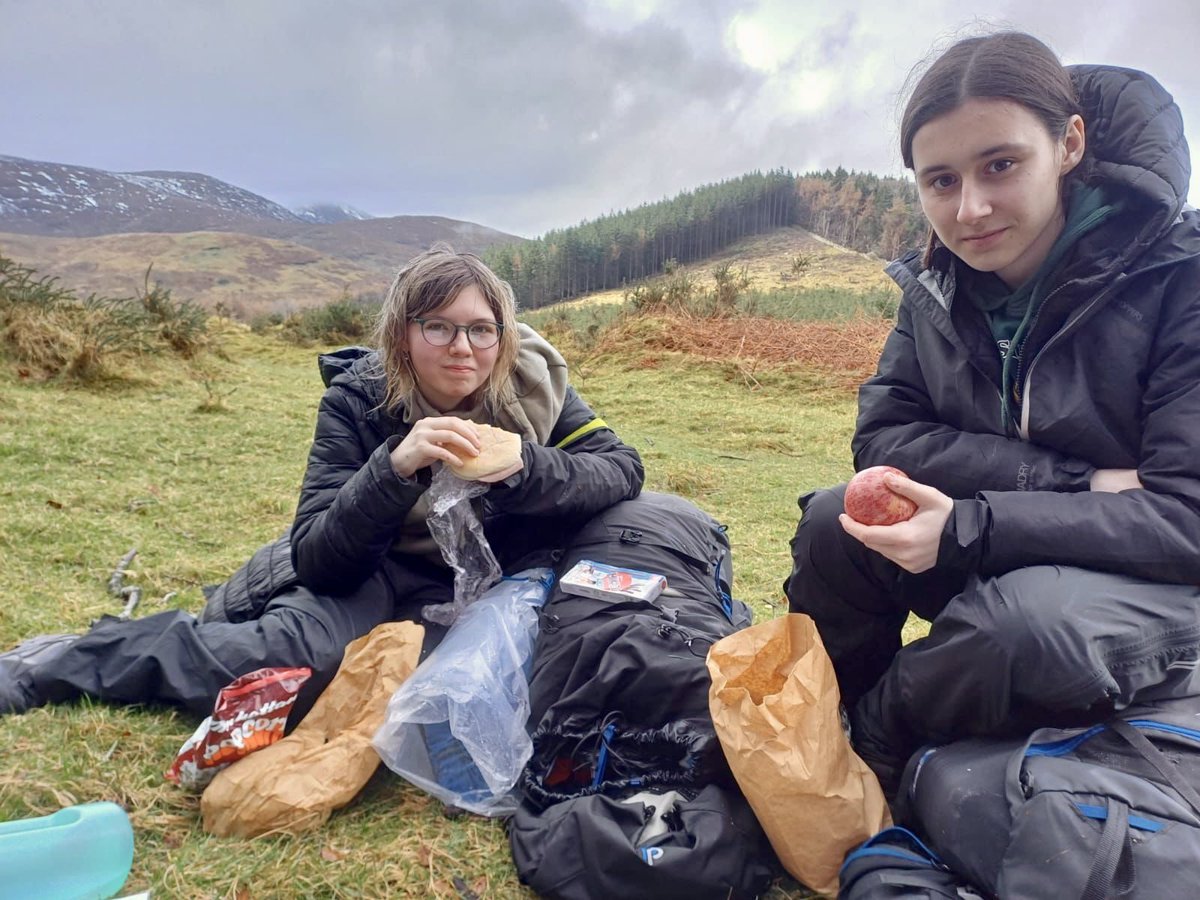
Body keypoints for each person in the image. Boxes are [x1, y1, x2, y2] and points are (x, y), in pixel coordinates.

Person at [785, 32, 1200, 797]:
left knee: (1025, 625)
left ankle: (871, 748)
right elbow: (883, 435)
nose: (969, 209)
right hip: (1007, 530)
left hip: (1150, 581)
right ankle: (813, 721)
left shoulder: (1180, 278)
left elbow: (1184, 519)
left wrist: (976, 523)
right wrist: (1076, 481)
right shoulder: (938, 287)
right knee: (835, 525)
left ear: (1069, 143)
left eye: (999, 165)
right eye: (940, 180)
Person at [0, 245, 644, 719]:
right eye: (438, 326)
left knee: (451, 688)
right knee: (290, 660)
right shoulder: (358, 401)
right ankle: (62, 662)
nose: (462, 348)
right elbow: (320, 556)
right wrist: (394, 470)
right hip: (375, 570)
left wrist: (525, 466)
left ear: (502, 336)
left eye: (481, 328)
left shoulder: (535, 388)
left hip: (486, 581)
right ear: (403, 334)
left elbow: (621, 469)